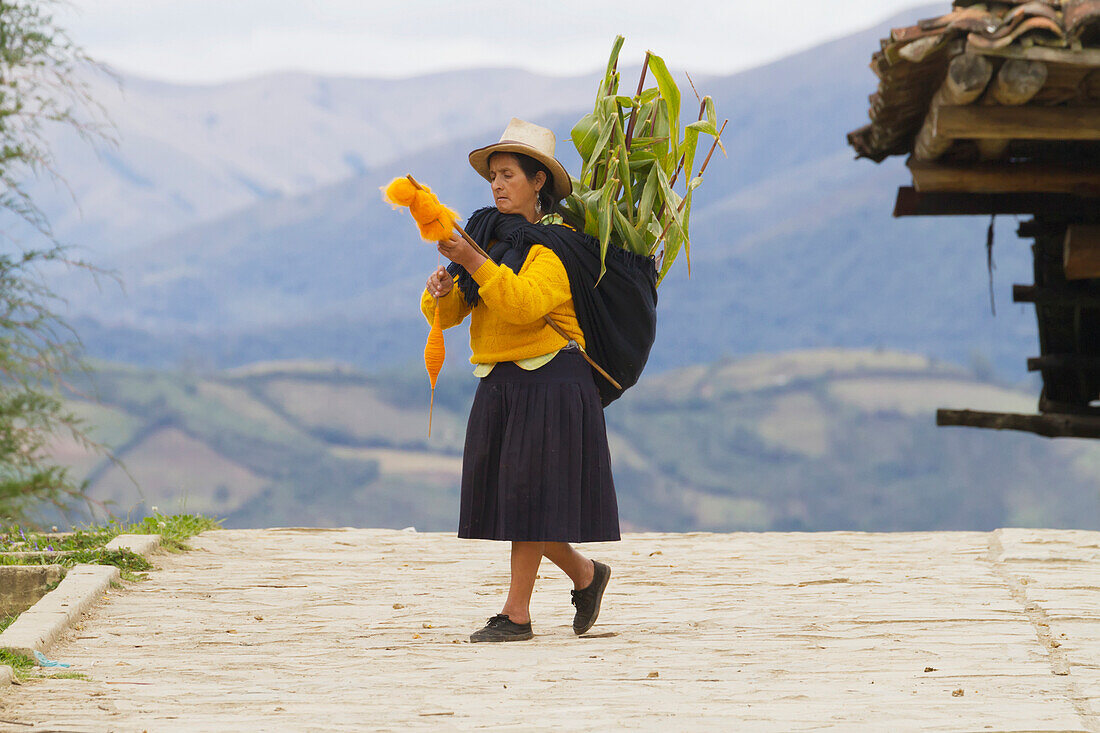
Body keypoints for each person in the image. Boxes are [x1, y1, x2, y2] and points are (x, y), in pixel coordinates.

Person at [420, 118, 619, 643]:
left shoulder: (556, 247)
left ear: (538, 182)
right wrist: (442, 290)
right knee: (516, 499)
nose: (497, 185)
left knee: (525, 498)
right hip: (503, 380)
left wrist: (473, 261)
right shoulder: (488, 236)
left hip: (551, 379)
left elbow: (524, 306)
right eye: (493, 177)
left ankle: (516, 615)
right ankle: (585, 575)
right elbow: (455, 312)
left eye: (508, 175)